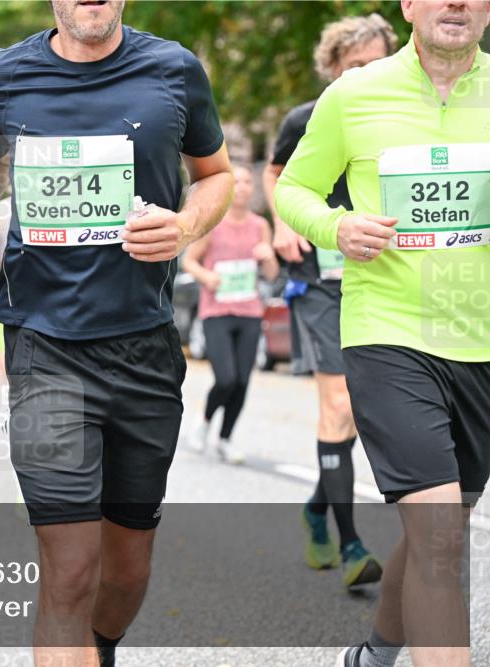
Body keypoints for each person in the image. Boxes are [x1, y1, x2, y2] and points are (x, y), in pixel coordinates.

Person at [0, 1, 234, 664]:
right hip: (42, 344)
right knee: (69, 569)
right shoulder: (6, 72)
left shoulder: (174, 70)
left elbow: (217, 176)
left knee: (125, 570)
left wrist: (185, 227)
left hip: (145, 347)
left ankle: (98, 648)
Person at [274, 2, 489, 665]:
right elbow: (294, 189)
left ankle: (376, 651)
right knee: (438, 533)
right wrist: (336, 227)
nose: (455, 2)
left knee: (441, 525)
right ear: (409, 6)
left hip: (481, 341)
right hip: (388, 332)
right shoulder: (354, 94)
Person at [262, 13, 394, 591]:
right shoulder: (306, 118)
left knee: (367, 410)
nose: (368, 76)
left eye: (377, 64)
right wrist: (280, 224)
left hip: (384, 276)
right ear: (333, 70)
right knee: (338, 404)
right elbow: (275, 173)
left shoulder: (404, 117)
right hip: (317, 275)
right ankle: (352, 546)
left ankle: (318, 505)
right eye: (355, 67)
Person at [182, 165, 278, 465]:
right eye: (236, 181)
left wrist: (269, 256)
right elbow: (189, 261)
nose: (244, 186)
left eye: (249, 181)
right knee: (226, 378)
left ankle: (225, 439)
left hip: (249, 311)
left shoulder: (259, 225)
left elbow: (271, 274)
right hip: (217, 312)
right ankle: (205, 421)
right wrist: (207, 277)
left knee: (242, 382)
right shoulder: (215, 224)